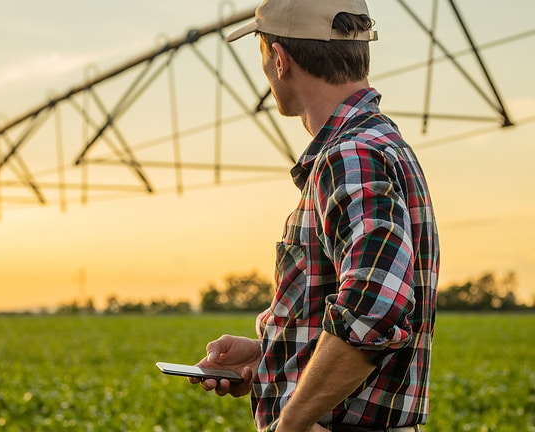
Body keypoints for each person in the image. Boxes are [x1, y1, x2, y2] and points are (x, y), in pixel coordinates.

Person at [188, 1, 440, 431]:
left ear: (279, 60)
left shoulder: (351, 155)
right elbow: (364, 305)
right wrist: (272, 353)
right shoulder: (379, 144)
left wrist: (291, 424)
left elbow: (373, 309)